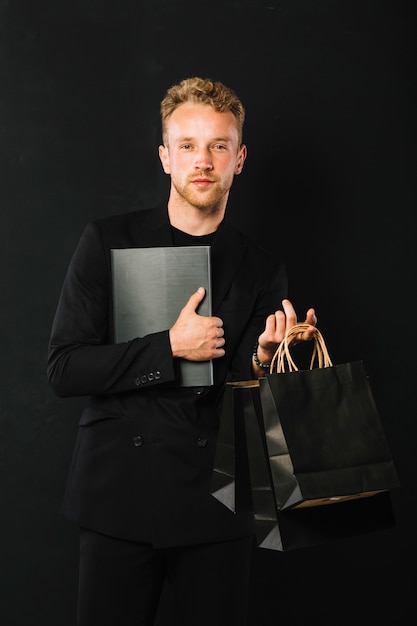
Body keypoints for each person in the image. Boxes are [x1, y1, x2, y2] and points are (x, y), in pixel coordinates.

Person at [47, 76, 317, 626]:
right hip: (118, 497)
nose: (203, 160)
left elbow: (246, 398)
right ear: (165, 156)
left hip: (218, 503)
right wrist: (168, 348)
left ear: (239, 159)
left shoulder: (263, 267)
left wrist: (267, 360)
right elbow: (65, 368)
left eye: (219, 145)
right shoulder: (106, 241)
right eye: (188, 145)